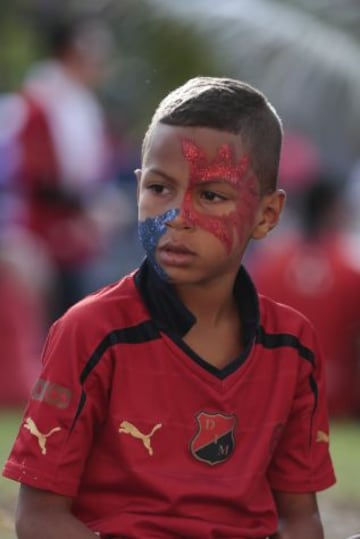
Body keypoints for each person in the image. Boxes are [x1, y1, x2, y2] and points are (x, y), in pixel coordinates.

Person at [2, 76, 335, 539]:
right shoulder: (92, 332)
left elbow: (300, 520)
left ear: (267, 215)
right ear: (138, 188)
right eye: (160, 189)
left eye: (211, 196)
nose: (176, 215)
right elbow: (38, 518)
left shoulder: (292, 345)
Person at [11, 17, 115, 321]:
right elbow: (36, 177)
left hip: (74, 234)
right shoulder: (41, 102)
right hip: (42, 235)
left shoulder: (79, 102)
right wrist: (87, 207)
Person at [250, 178, 360, 419]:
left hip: (279, 402)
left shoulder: (270, 265)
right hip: (338, 404)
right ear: (334, 210)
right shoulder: (350, 269)